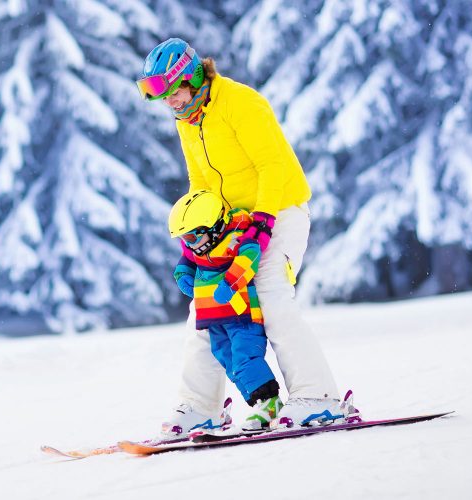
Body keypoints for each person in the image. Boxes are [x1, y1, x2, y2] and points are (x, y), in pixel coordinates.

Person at [136, 38, 341, 432]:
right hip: (229, 227)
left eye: (172, 91)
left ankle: (318, 396)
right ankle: (200, 407)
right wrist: (197, 239)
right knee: (205, 307)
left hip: (279, 211)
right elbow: (200, 182)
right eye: (159, 96)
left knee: (271, 294)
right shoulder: (188, 121)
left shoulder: (241, 103)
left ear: (193, 79)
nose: (170, 103)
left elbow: (272, 165)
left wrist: (264, 221)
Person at [167, 189, 284, 433]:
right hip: (214, 319)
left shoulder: (236, 237)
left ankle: (270, 402)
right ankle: (258, 403)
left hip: (241, 316)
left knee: (245, 358)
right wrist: (182, 275)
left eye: (189, 237)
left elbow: (249, 257)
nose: (187, 244)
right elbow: (186, 261)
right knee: (229, 361)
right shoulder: (200, 248)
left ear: (209, 228)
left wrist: (231, 282)